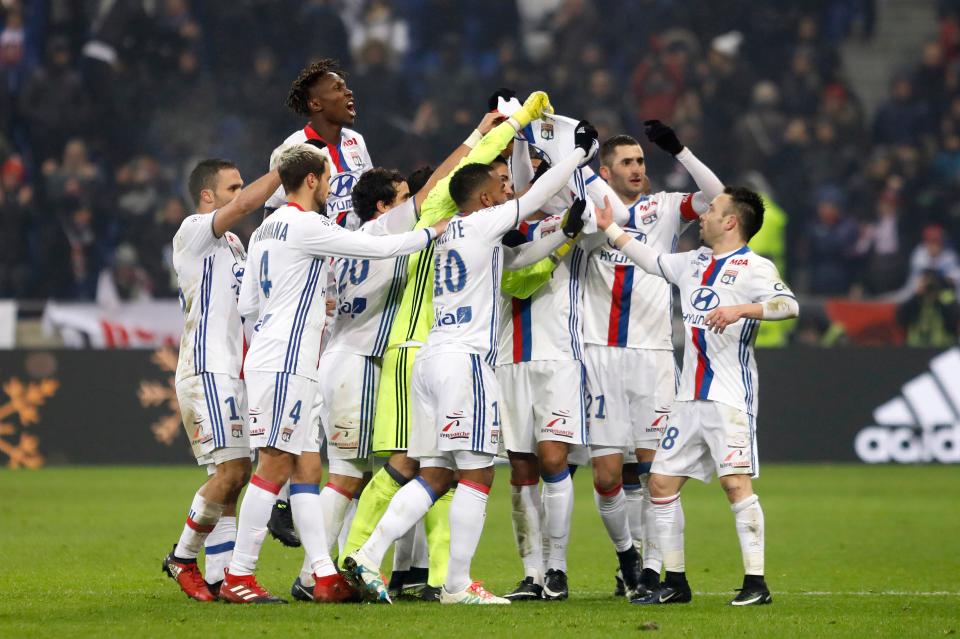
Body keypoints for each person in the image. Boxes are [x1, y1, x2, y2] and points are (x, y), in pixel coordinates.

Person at [344, 119, 599, 606]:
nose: (509, 190)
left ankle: (367, 553)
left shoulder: (451, 233)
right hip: (466, 363)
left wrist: (563, 235)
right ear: (483, 199)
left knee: (435, 473)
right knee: (478, 473)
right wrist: (578, 157)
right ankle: (458, 584)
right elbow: (538, 193)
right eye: (501, 186)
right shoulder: (485, 222)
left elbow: (519, 261)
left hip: (432, 361)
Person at [218, 144, 447, 604]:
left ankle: (322, 574)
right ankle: (238, 575)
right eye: (325, 179)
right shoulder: (308, 224)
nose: (329, 188)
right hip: (288, 360)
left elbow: (248, 304)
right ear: (310, 181)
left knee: (307, 466)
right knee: (276, 465)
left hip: (276, 353)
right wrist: (428, 234)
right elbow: (374, 245)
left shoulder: (265, 230)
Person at [301, 113, 502, 602]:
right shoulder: (382, 232)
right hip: (365, 357)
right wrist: (481, 135)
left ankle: (349, 572)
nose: (413, 206)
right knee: (361, 473)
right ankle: (318, 575)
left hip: (347, 355)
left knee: (369, 472)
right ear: (384, 206)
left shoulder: (346, 237)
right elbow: (436, 188)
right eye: (401, 198)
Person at [594, 185, 799, 606]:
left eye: (713, 210)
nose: (702, 214)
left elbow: (789, 305)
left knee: (734, 483)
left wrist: (743, 309)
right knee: (662, 484)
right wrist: (610, 228)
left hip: (729, 397)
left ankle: (756, 584)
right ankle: (677, 581)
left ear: (731, 222)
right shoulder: (693, 262)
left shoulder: (753, 267)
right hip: (687, 399)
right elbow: (649, 258)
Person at [580, 122, 724, 599]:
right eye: (627, 162)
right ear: (605, 170)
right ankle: (628, 558)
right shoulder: (587, 212)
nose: (638, 168)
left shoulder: (664, 208)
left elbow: (719, 197)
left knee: (653, 469)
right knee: (606, 476)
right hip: (598, 354)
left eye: (642, 161)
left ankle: (653, 574)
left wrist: (680, 149)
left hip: (654, 355)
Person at [161, 156, 283, 601]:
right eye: (233, 189)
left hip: (234, 369)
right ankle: (182, 556)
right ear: (208, 197)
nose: (242, 195)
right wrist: (286, 166)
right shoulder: (193, 230)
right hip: (207, 368)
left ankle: (222, 577)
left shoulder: (233, 243)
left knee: (232, 478)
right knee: (233, 471)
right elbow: (252, 201)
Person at [264, 57, 373, 549]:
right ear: (315, 103)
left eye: (347, 86)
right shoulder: (291, 150)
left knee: (334, 394)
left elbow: (365, 203)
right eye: (337, 88)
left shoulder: (355, 143)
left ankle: (315, 490)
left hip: (353, 279)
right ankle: (287, 493)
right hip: (313, 286)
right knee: (306, 387)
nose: (348, 93)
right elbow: (277, 221)